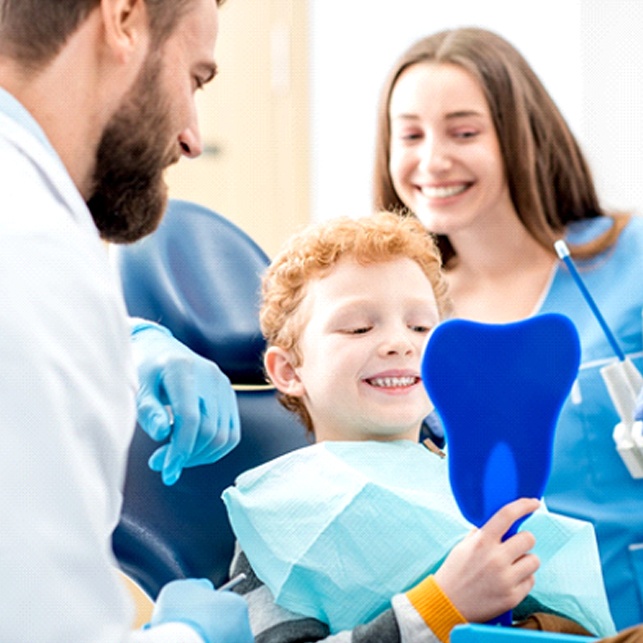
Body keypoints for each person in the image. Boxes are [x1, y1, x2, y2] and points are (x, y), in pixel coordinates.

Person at [222, 211, 616, 642]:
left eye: (421, 326)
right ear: (289, 371)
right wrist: (441, 606)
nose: (400, 343)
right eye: (358, 327)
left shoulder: (475, 483)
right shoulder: (278, 517)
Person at [372, 26, 643, 630]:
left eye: (464, 132)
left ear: (522, 138)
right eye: (410, 134)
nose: (433, 160)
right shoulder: (401, 316)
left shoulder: (632, 263)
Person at [0, 0, 252, 640]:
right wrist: (188, 638)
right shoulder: (32, 250)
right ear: (123, 19)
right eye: (194, 80)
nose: (193, 136)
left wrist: (126, 343)